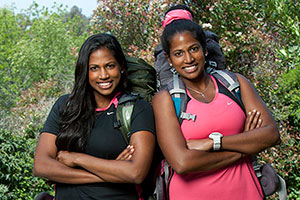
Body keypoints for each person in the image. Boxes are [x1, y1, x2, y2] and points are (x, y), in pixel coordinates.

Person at [152, 5, 280, 200]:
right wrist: (245, 146)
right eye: (178, 53)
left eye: (194, 49)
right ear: (169, 60)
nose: (188, 59)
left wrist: (212, 143)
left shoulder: (235, 84)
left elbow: (271, 134)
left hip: (247, 193)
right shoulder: (166, 99)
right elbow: (182, 163)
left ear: (204, 49)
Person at [33, 33, 156, 200]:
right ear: (85, 71)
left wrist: (76, 158)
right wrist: (113, 172)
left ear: (121, 67)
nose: (103, 75)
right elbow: (41, 166)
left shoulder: (137, 109)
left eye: (110, 66)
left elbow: (136, 173)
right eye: (94, 68)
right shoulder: (65, 106)